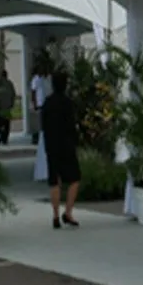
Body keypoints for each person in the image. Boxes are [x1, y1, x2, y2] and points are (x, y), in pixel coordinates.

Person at [40, 69, 80, 229]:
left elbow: (43, 125)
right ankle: (68, 212)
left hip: (51, 146)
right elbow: (71, 125)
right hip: (66, 146)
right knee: (75, 178)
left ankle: (55, 215)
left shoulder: (47, 103)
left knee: (54, 181)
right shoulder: (68, 103)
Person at [0, 68, 17, 146]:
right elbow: (13, 94)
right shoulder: (9, 83)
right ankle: (4, 137)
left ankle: (2, 136)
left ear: (1, 75)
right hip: (6, 107)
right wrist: (12, 103)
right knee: (6, 123)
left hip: (0, 107)